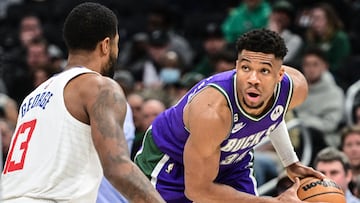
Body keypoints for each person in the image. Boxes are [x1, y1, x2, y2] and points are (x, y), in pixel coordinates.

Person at [135, 28, 325, 202]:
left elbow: (274, 114)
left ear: (280, 75)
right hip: (171, 164)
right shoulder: (213, 112)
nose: (253, 79)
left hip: (231, 163)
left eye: (264, 71)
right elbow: (197, 191)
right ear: (236, 66)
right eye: (245, 68)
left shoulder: (295, 88)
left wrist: (290, 162)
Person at [1, 2, 165, 203]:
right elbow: (118, 167)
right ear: (106, 45)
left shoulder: (32, 97)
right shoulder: (99, 87)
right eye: (116, 44)